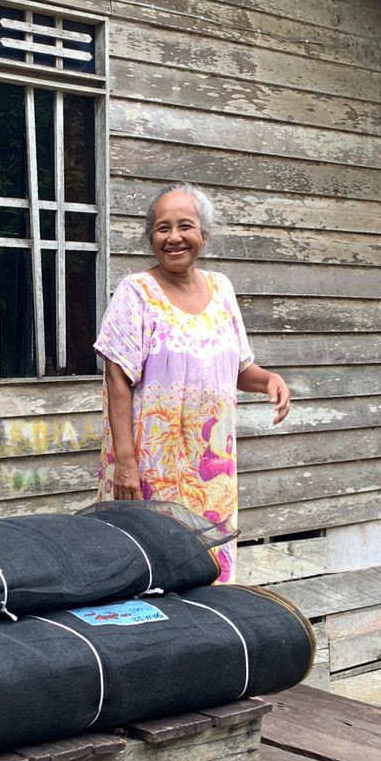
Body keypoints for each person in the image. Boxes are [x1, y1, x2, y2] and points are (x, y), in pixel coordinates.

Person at [95, 183, 291, 581]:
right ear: (151, 237)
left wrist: (270, 379)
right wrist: (126, 464)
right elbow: (117, 380)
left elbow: (238, 370)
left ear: (204, 234)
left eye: (186, 226)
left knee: (210, 568)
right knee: (149, 568)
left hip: (211, 469)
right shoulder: (136, 293)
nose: (174, 238)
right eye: (162, 228)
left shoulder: (222, 289)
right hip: (151, 466)